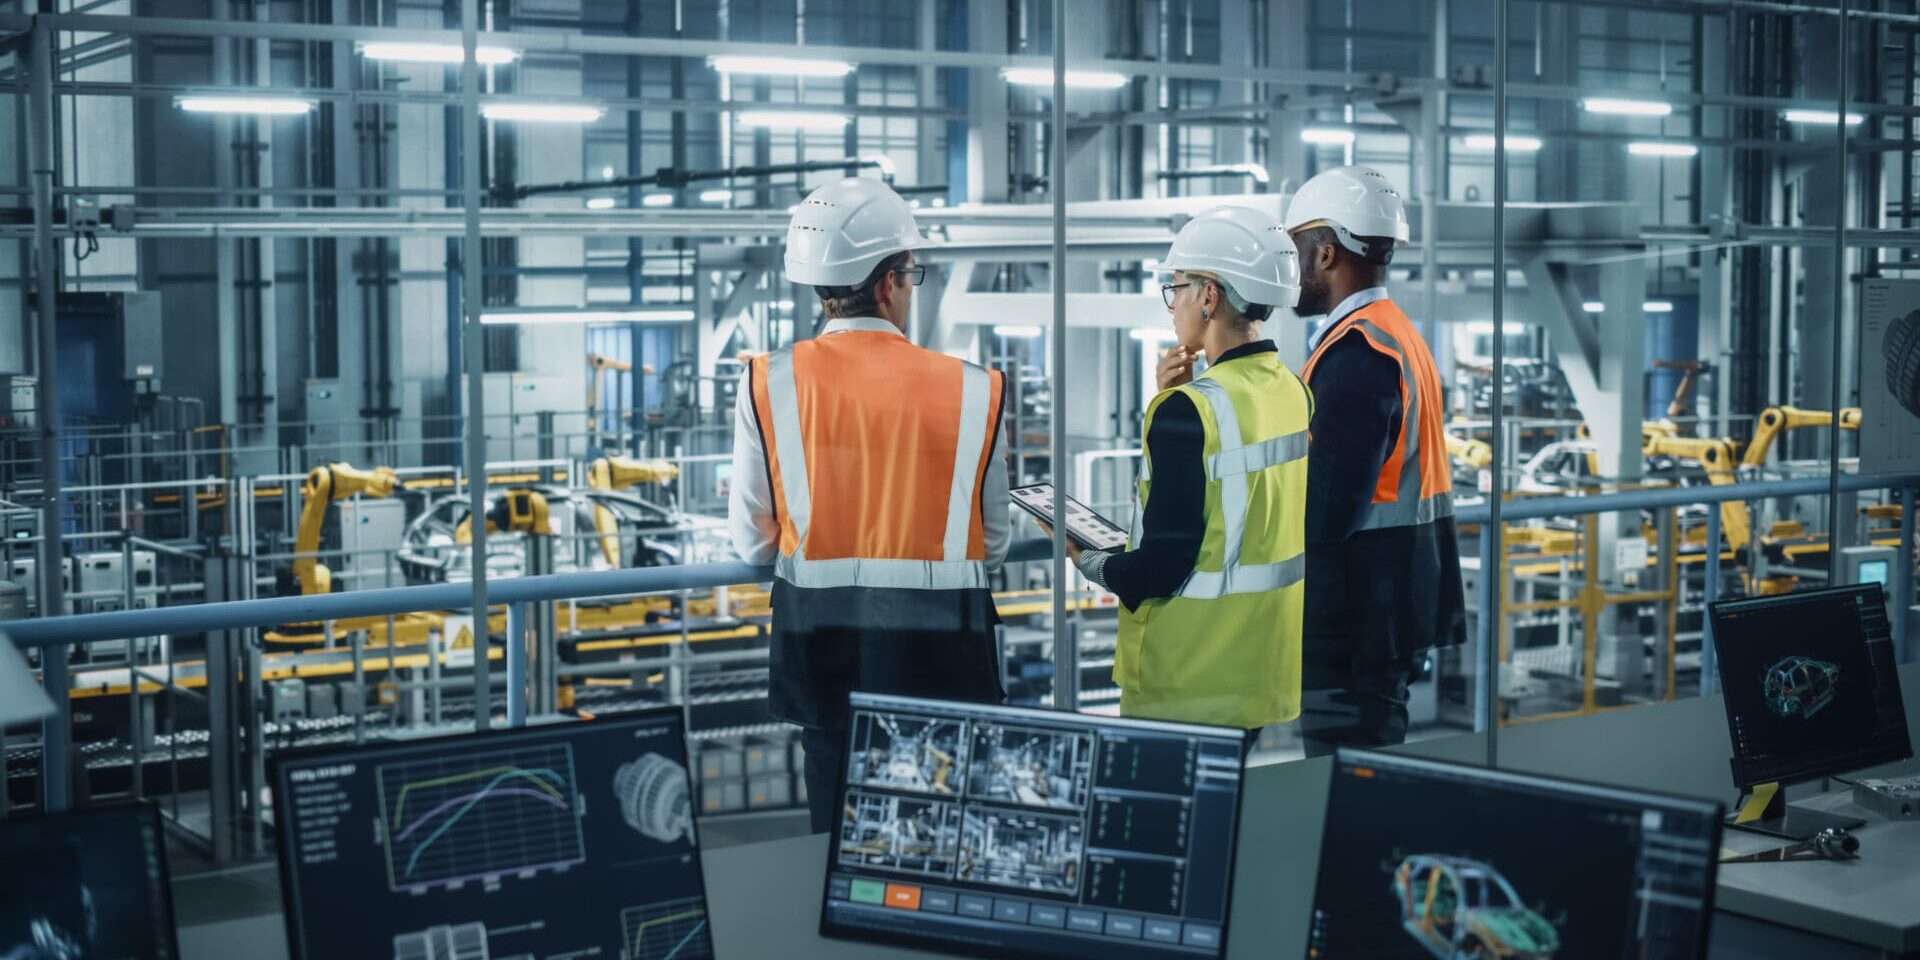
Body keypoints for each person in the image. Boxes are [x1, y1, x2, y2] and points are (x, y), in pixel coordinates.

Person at [729, 177, 1010, 833]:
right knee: (947, 850)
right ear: (889, 283)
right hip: (947, 657)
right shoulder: (976, 391)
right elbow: (992, 541)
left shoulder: (766, 383)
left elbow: (753, 544)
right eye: (911, 273)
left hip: (823, 657)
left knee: (836, 857)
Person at [1070, 205, 1311, 735]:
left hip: (1188, 682)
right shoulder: (1292, 391)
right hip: (1260, 675)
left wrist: (1087, 559)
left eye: (1176, 288)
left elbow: (1159, 568)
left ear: (1210, 296)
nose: (1171, 304)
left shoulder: (1186, 412)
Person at [1282, 165, 1468, 756]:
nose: (1293, 270)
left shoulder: (1360, 353)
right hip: (1390, 599)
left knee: (1348, 782)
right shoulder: (1395, 334)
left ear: (1328, 254)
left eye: (1297, 251)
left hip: (1356, 612)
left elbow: (1327, 509)